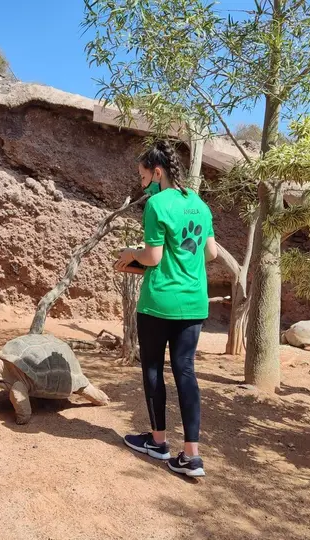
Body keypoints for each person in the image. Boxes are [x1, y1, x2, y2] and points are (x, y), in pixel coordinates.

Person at [115, 140, 217, 477]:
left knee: (154, 369)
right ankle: (192, 455)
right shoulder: (200, 205)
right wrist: (184, 263)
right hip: (194, 301)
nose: (143, 183)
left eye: (144, 176)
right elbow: (211, 253)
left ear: (157, 172)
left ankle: (158, 442)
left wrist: (130, 253)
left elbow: (153, 257)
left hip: (159, 302)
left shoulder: (157, 204)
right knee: (186, 371)